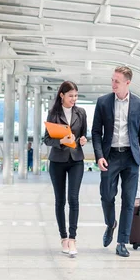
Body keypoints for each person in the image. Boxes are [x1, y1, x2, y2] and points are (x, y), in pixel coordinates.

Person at [92, 66, 140, 258]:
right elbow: (96, 132)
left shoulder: (139, 104)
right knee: (106, 196)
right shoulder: (103, 102)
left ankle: (122, 242)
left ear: (127, 83)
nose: (113, 84)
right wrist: (99, 155)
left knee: (128, 201)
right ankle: (111, 224)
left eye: (117, 81)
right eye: (112, 80)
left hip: (131, 158)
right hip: (110, 156)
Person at [43, 81, 88, 257]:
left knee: (74, 199)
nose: (74, 99)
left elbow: (84, 134)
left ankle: (73, 238)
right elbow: (46, 139)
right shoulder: (53, 113)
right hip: (57, 161)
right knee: (60, 200)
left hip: (76, 159)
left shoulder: (81, 113)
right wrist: (60, 141)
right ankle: (63, 238)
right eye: (71, 96)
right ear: (62, 95)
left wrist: (84, 139)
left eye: (76, 96)